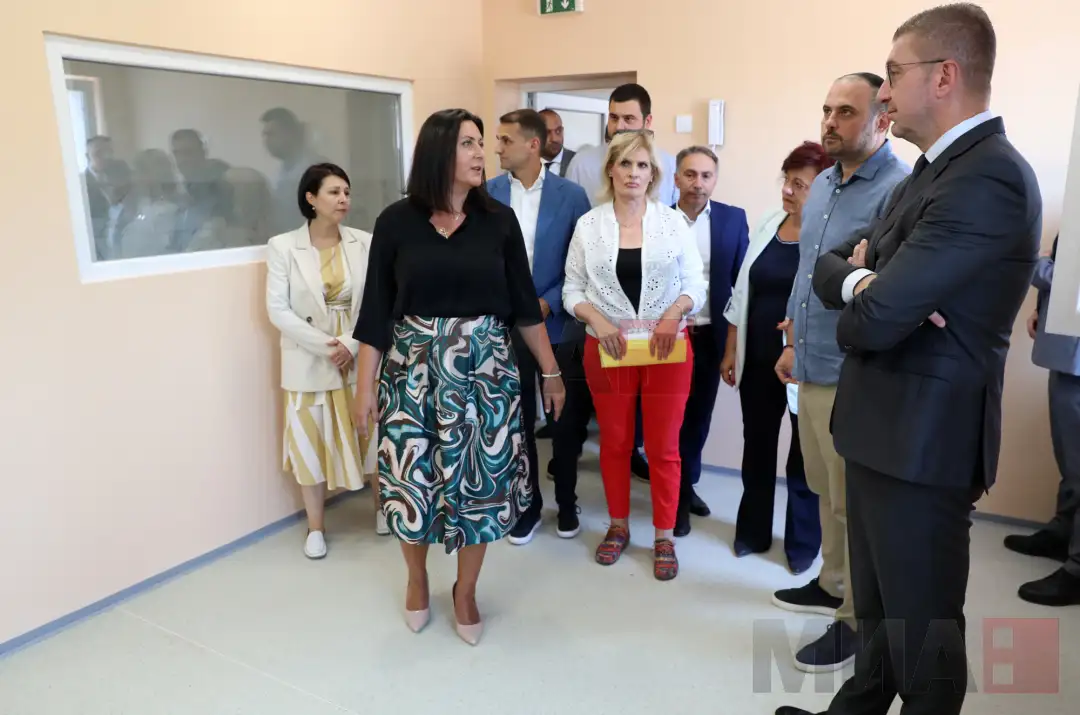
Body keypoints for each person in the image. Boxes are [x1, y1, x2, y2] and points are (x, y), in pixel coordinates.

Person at [778, 4, 1043, 714]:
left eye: (893, 74)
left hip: (924, 441)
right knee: (878, 619)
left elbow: (873, 321)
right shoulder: (929, 172)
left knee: (923, 635)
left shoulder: (988, 177)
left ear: (945, 76)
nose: (885, 92)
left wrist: (871, 287)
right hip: (883, 429)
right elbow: (833, 267)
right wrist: (868, 280)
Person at [351, 109, 565, 645]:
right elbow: (375, 312)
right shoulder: (395, 222)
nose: (481, 153)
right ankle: (417, 577)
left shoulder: (499, 221)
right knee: (412, 483)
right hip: (411, 376)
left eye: (481, 142)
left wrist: (552, 372)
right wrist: (363, 388)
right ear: (439, 152)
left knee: (482, 486)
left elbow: (525, 308)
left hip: (485, 378)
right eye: (468, 143)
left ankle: (465, 590)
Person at [771, 73, 911, 675]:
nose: (830, 121)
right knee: (824, 491)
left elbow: (885, 289)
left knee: (855, 506)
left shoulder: (899, 190)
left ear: (882, 118)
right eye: (827, 109)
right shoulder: (825, 181)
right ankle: (831, 584)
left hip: (855, 372)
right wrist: (792, 341)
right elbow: (808, 272)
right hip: (810, 363)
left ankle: (856, 619)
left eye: (846, 112)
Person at [563, 130, 706, 581]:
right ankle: (618, 525)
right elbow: (572, 289)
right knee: (616, 442)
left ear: (653, 174)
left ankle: (664, 536)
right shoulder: (589, 225)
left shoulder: (673, 223)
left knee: (664, 448)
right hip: (609, 347)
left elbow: (696, 284)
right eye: (625, 163)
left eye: (642, 165)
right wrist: (597, 320)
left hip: (666, 347)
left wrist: (674, 313)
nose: (633, 173)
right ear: (611, 169)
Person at [721, 142, 828, 572]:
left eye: (799, 184)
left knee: (804, 456)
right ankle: (752, 531)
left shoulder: (831, 233)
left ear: (824, 187)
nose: (787, 190)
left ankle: (802, 545)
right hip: (757, 357)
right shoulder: (770, 222)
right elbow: (742, 289)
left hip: (804, 363)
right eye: (787, 180)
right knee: (758, 447)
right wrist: (731, 348)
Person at [265, 163, 379, 559]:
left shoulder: (365, 242)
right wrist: (329, 346)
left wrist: (350, 343)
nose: (343, 199)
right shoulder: (282, 246)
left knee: (372, 436)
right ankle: (315, 528)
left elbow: (376, 302)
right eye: (333, 192)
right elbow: (278, 310)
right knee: (309, 445)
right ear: (311, 198)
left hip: (358, 353)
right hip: (309, 359)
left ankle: (383, 509)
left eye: (346, 192)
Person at [489, 109, 591, 543]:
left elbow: (583, 262)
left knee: (563, 421)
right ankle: (527, 506)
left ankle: (566, 503)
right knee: (518, 421)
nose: (497, 147)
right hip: (506, 324)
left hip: (558, 324)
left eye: (505, 140)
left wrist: (547, 301)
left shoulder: (571, 195)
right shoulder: (488, 193)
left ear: (533, 145)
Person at [670, 145, 750, 536]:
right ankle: (674, 493)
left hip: (709, 336)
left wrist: (734, 346)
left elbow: (742, 284)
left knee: (698, 418)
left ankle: (686, 489)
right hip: (666, 337)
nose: (697, 183)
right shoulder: (656, 220)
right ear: (676, 178)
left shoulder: (733, 220)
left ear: (715, 180)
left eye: (706, 175)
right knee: (669, 420)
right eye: (690, 174)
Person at [1007, 234, 1080, 606]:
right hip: (1065, 347)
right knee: (1070, 459)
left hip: (1076, 354)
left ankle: (1078, 570)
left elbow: (1070, 277)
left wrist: (1033, 263)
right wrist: (1043, 304)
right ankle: (1062, 533)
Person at [539, 108, 576, 178]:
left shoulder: (577, 162)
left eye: (558, 131)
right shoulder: (524, 164)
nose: (554, 139)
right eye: (547, 133)